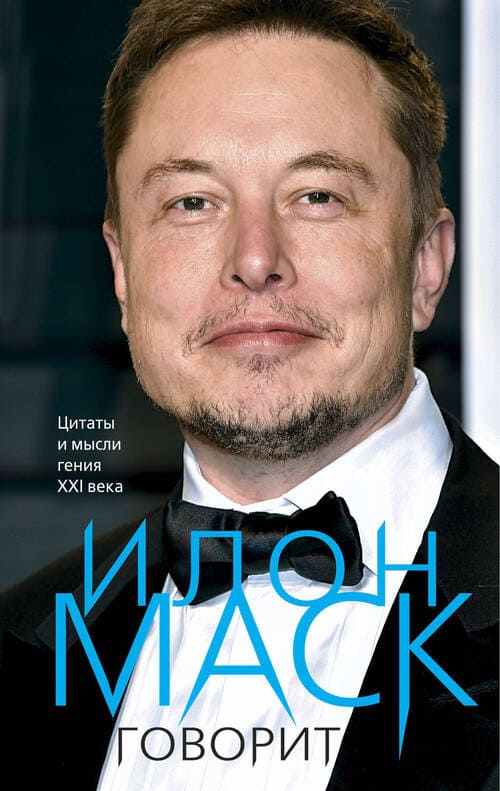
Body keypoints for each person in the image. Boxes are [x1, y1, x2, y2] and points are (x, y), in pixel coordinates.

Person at [0, 1, 498, 789]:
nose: (256, 259)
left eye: (318, 195)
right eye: (191, 202)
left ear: (427, 266)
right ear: (122, 273)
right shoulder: (19, 649)